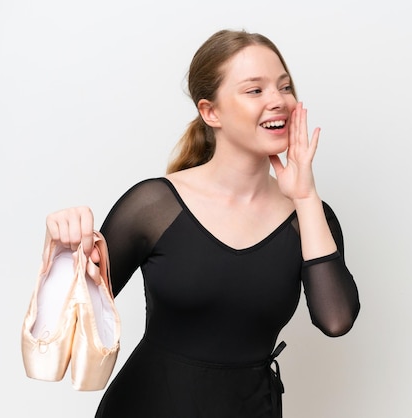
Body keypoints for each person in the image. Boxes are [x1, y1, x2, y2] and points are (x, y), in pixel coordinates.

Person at [43, 29, 360, 418]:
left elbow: (336, 319)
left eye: (284, 86)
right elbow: (71, 324)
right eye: (255, 91)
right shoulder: (154, 206)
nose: (278, 101)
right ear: (211, 112)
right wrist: (62, 248)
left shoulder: (310, 219)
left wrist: (306, 197)